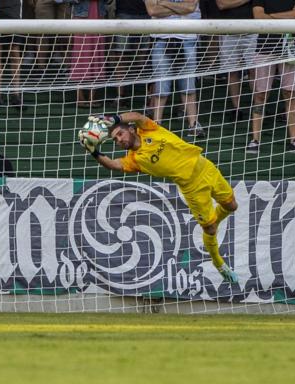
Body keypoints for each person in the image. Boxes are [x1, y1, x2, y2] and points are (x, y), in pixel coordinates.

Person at [81, 113, 239, 283]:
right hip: (192, 187)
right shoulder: (134, 160)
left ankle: (214, 220)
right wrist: (94, 151)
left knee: (231, 206)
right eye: (115, 140)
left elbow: (138, 116)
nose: (119, 140)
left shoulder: (149, 129)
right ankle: (219, 263)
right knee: (210, 230)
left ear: (132, 130)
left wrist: (115, 119)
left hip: (205, 167)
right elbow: (112, 164)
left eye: (120, 134)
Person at [145, 0, 205, 137]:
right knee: (161, 86)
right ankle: (156, 125)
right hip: (161, 39)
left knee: (189, 86)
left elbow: (190, 7)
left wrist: (164, 3)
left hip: (188, 38)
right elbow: (153, 11)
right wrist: (179, 9)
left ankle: (193, 124)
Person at [248, 0, 295, 154]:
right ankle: (255, 139)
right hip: (264, 48)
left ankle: (294, 139)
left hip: (290, 47)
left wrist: (270, 17)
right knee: (260, 95)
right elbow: (258, 16)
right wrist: (284, 18)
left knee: (291, 94)